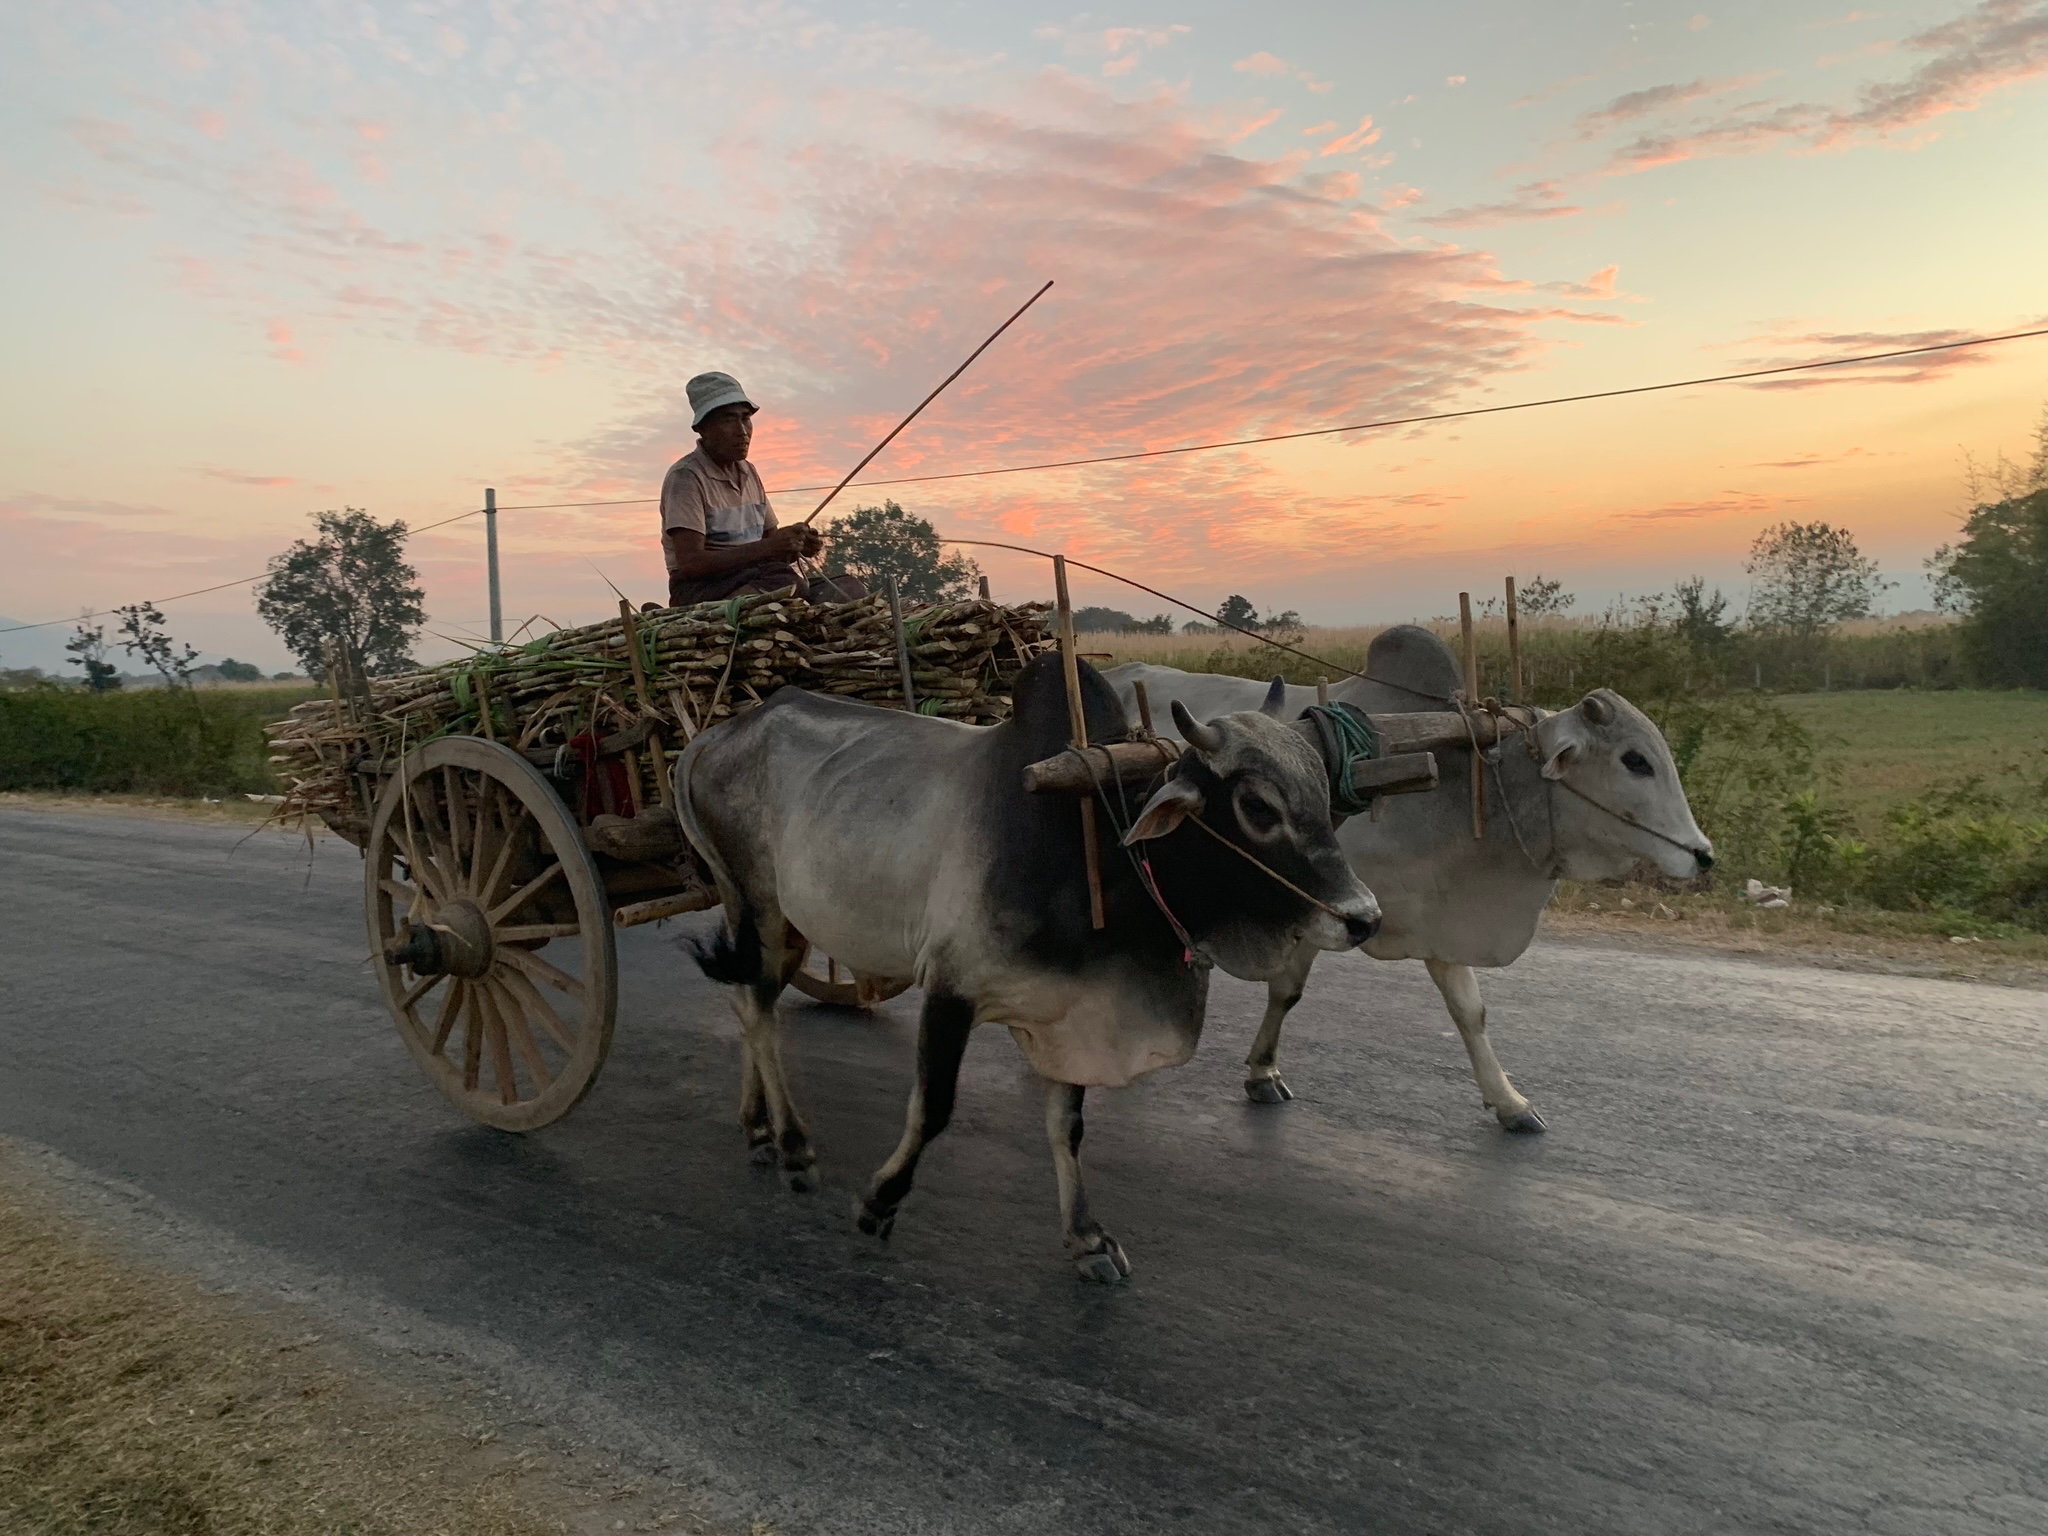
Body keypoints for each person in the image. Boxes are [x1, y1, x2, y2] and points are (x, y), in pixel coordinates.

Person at [660, 372, 862, 608]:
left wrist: (797, 544)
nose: (742, 431)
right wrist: (771, 547)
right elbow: (691, 563)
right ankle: (691, 615)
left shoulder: (749, 472)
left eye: (745, 418)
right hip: (705, 589)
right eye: (728, 420)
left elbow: (771, 544)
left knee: (849, 589)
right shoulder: (686, 477)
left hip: (760, 578)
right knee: (783, 584)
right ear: (702, 428)